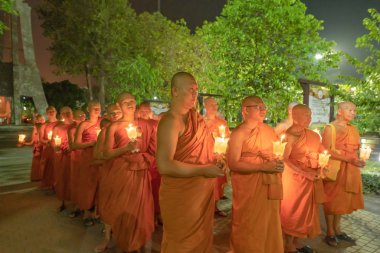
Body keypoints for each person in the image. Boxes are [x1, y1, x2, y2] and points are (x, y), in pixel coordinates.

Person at [157, 72, 224, 252]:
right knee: (181, 244)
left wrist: (217, 158)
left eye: (196, 90)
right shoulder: (171, 121)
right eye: (190, 90)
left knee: (200, 240)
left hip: (200, 192)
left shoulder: (196, 119)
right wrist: (203, 170)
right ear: (175, 91)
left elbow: (205, 150)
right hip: (181, 194)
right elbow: (164, 165)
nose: (195, 94)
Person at [98, 92, 156, 253]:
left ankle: (141, 243)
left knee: (142, 209)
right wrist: (125, 148)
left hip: (140, 172)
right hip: (121, 173)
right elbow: (106, 154)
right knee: (123, 208)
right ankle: (126, 244)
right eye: (125, 102)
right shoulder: (113, 127)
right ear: (119, 105)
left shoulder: (146, 125)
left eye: (132, 100)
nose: (130, 103)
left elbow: (154, 149)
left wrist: (143, 157)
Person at [227, 96, 284, 253]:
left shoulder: (269, 130)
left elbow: (277, 153)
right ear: (245, 110)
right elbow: (233, 163)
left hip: (268, 184)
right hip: (248, 187)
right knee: (248, 222)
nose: (263, 110)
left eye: (264, 107)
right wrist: (264, 166)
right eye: (258, 107)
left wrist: (277, 162)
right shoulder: (239, 133)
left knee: (268, 221)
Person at [281, 104, 325, 253]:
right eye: (306, 115)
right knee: (293, 211)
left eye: (310, 115)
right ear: (295, 116)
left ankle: (296, 242)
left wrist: (321, 166)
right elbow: (284, 159)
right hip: (294, 180)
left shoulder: (312, 135)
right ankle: (288, 245)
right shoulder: (290, 135)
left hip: (310, 178)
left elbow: (321, 153)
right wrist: (304, 173)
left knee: (305, 212)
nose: (310, 118)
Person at [322, 102, 365, 247]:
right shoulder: (331, 128)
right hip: (336, 168)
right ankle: (330, 232)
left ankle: (338, 229)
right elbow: (327, 151)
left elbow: (354, 149)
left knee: (342, 200)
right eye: (349, 109)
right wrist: (349, 159)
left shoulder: (353, 129)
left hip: (351, 169)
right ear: (339, 111)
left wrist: (359, 160)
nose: (353, 112)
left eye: (354, 110)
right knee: (331, 200)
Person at [93, 103, 122, 253]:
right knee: (109, 205)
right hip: (110, 173)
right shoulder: (105, 132)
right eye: (111, 113)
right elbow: (96, 156)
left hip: (127, 174)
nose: (115, 114)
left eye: (117, 111)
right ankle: (107, 237)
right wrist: (115, 156)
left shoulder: (130, 130)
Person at [72, 101, 102, 225]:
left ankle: (97, 211)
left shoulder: (103, 122)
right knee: (88, 185)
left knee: (99, 184)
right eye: (94, 108)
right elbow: (75, 144)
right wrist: (90, 143)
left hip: (100, 157)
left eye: (98, 108)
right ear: (88, 110)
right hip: (88, 157)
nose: (97, 110)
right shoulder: (84, 125)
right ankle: (86, 212)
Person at [203, 96, 230, 216]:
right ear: (205, 106)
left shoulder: (222, 123)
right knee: (206, 182)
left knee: (218, 182)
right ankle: (205, 206)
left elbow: (227, 138)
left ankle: (215, 206)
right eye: (211, 105)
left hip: (219, 156)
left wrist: (222, 153)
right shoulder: (201, 122)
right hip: (204, 156)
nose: (214, 107)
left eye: (215, 105)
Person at [52, 106, 75, 211]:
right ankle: (62, 201)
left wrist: (73, 146)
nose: (66, 114)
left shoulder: (77, 125)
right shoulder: (57, 128)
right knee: (61, 178)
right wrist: (56, 147)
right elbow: (53, 142)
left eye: (68, 112)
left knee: (73, 178)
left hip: (75, 155)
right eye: (64, 113)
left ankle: (76, 202)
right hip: (61, 156)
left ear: (72, 113)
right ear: (60, 115)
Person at [67, 109, 86, 218]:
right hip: (77, 157)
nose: (81, 117)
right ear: (74, 117)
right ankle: (77, 206)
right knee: (76, 182)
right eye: (79, 116)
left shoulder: (88, 127)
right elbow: (72, 145)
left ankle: (88, 207)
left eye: (83, 115)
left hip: (87, 156)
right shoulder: (72, 129)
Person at [39, 106, 59, 189]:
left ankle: (59, 182)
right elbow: (41, 139)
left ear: (56, 112)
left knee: (58, 166)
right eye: (49, 112)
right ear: (47, 113)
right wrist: (47, 142)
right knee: (50, 166)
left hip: (59, 148)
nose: (51, 113)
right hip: (49, 149)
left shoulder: (60, 123)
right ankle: (51, 183)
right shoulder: (44, 125)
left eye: (53, 111)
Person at [22, 114, 45, 181]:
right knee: (36, 166)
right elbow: (32, 142)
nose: (40, 121)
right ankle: (37, 178)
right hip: (36, 151)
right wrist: (24, 143)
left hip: (43, 151)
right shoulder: (34, 130)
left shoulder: (45, 129)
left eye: (42, 120)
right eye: (39, 120)